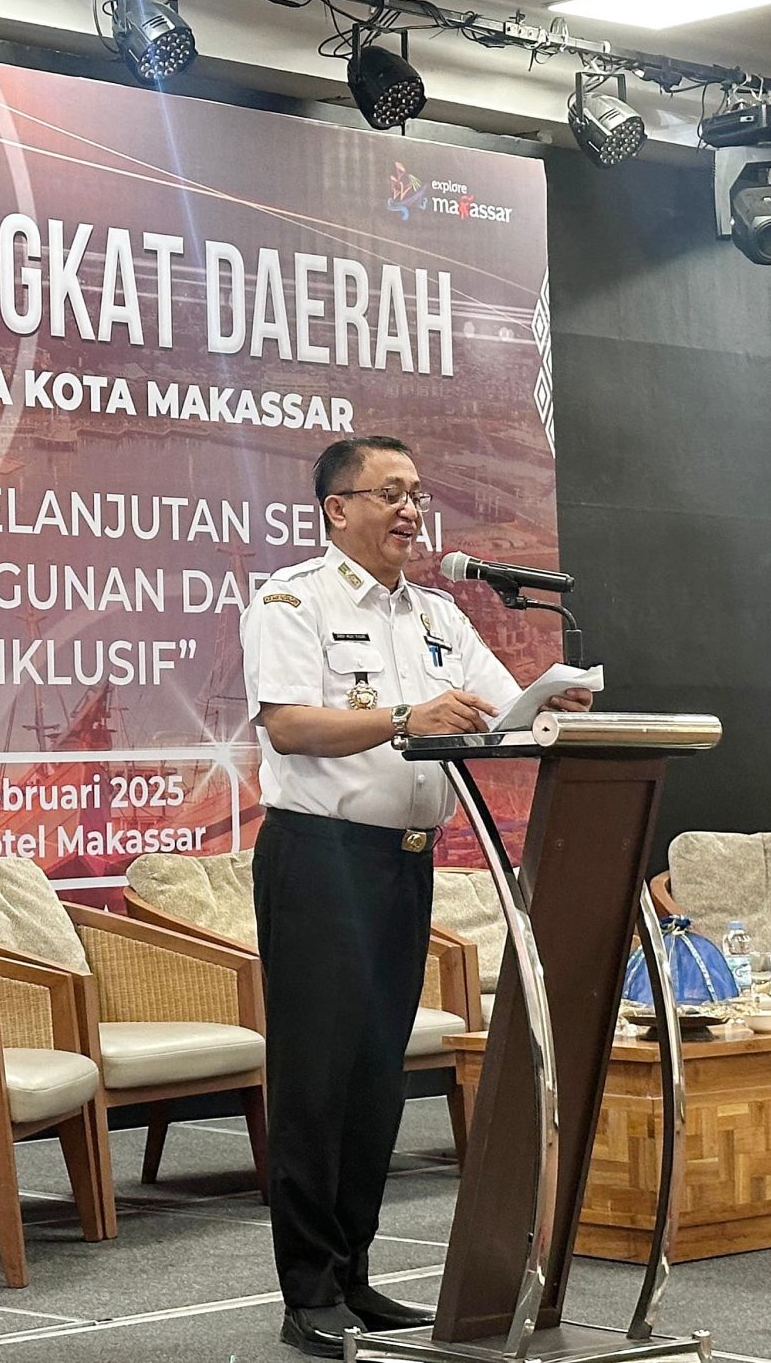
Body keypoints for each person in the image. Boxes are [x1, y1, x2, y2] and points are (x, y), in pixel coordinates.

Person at [241, 434, 593, 1358]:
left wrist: (551, 708)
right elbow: (288, 726)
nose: (410, 510)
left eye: (417, 493)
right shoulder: (292, 600)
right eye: (390, 493)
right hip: (319, 858)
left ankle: (353, 1275)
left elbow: (502, 710)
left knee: (374, 1079)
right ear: (337, 509)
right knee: (317, 1080)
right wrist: (404, 717)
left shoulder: (437, 614)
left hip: (404, 860)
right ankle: (307, 1291)